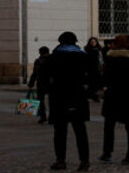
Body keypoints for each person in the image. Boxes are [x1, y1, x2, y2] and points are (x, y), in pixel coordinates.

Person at [99, 34, 129, 165]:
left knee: (109, 126)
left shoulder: (111, 59)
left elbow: (104, 78)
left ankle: (107, 153)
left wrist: (104, 87)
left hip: (114, 96)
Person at [46, 30, 92, 171]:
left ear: (61, 42)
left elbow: (47, 76)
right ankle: (84, 161)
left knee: (60, 131)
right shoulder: (84, 56)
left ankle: (60, 161)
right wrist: (87, 91)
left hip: (59, 96)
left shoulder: (54, 56)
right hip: (78, 95)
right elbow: (93, 76)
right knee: (80, 130)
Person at [28, 46, 52, 123]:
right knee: (51, 102)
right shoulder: (52, 60)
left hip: (41, 83)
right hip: (50, 83)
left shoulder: (38, 61)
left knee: (40, 101)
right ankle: (51, 117)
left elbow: (34, 73)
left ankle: (43, 117)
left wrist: (31, 83)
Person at [84, 38, 104, 102]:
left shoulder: (99, 50)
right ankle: (93, 96)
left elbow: (101, 60)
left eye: (94, 41)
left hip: (97, 68)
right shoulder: (87, 50)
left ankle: (91, 95)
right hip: (90, 69)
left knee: (96, 83)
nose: (93, 43)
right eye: (92, 41)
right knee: (92, 83)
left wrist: (102, 67)